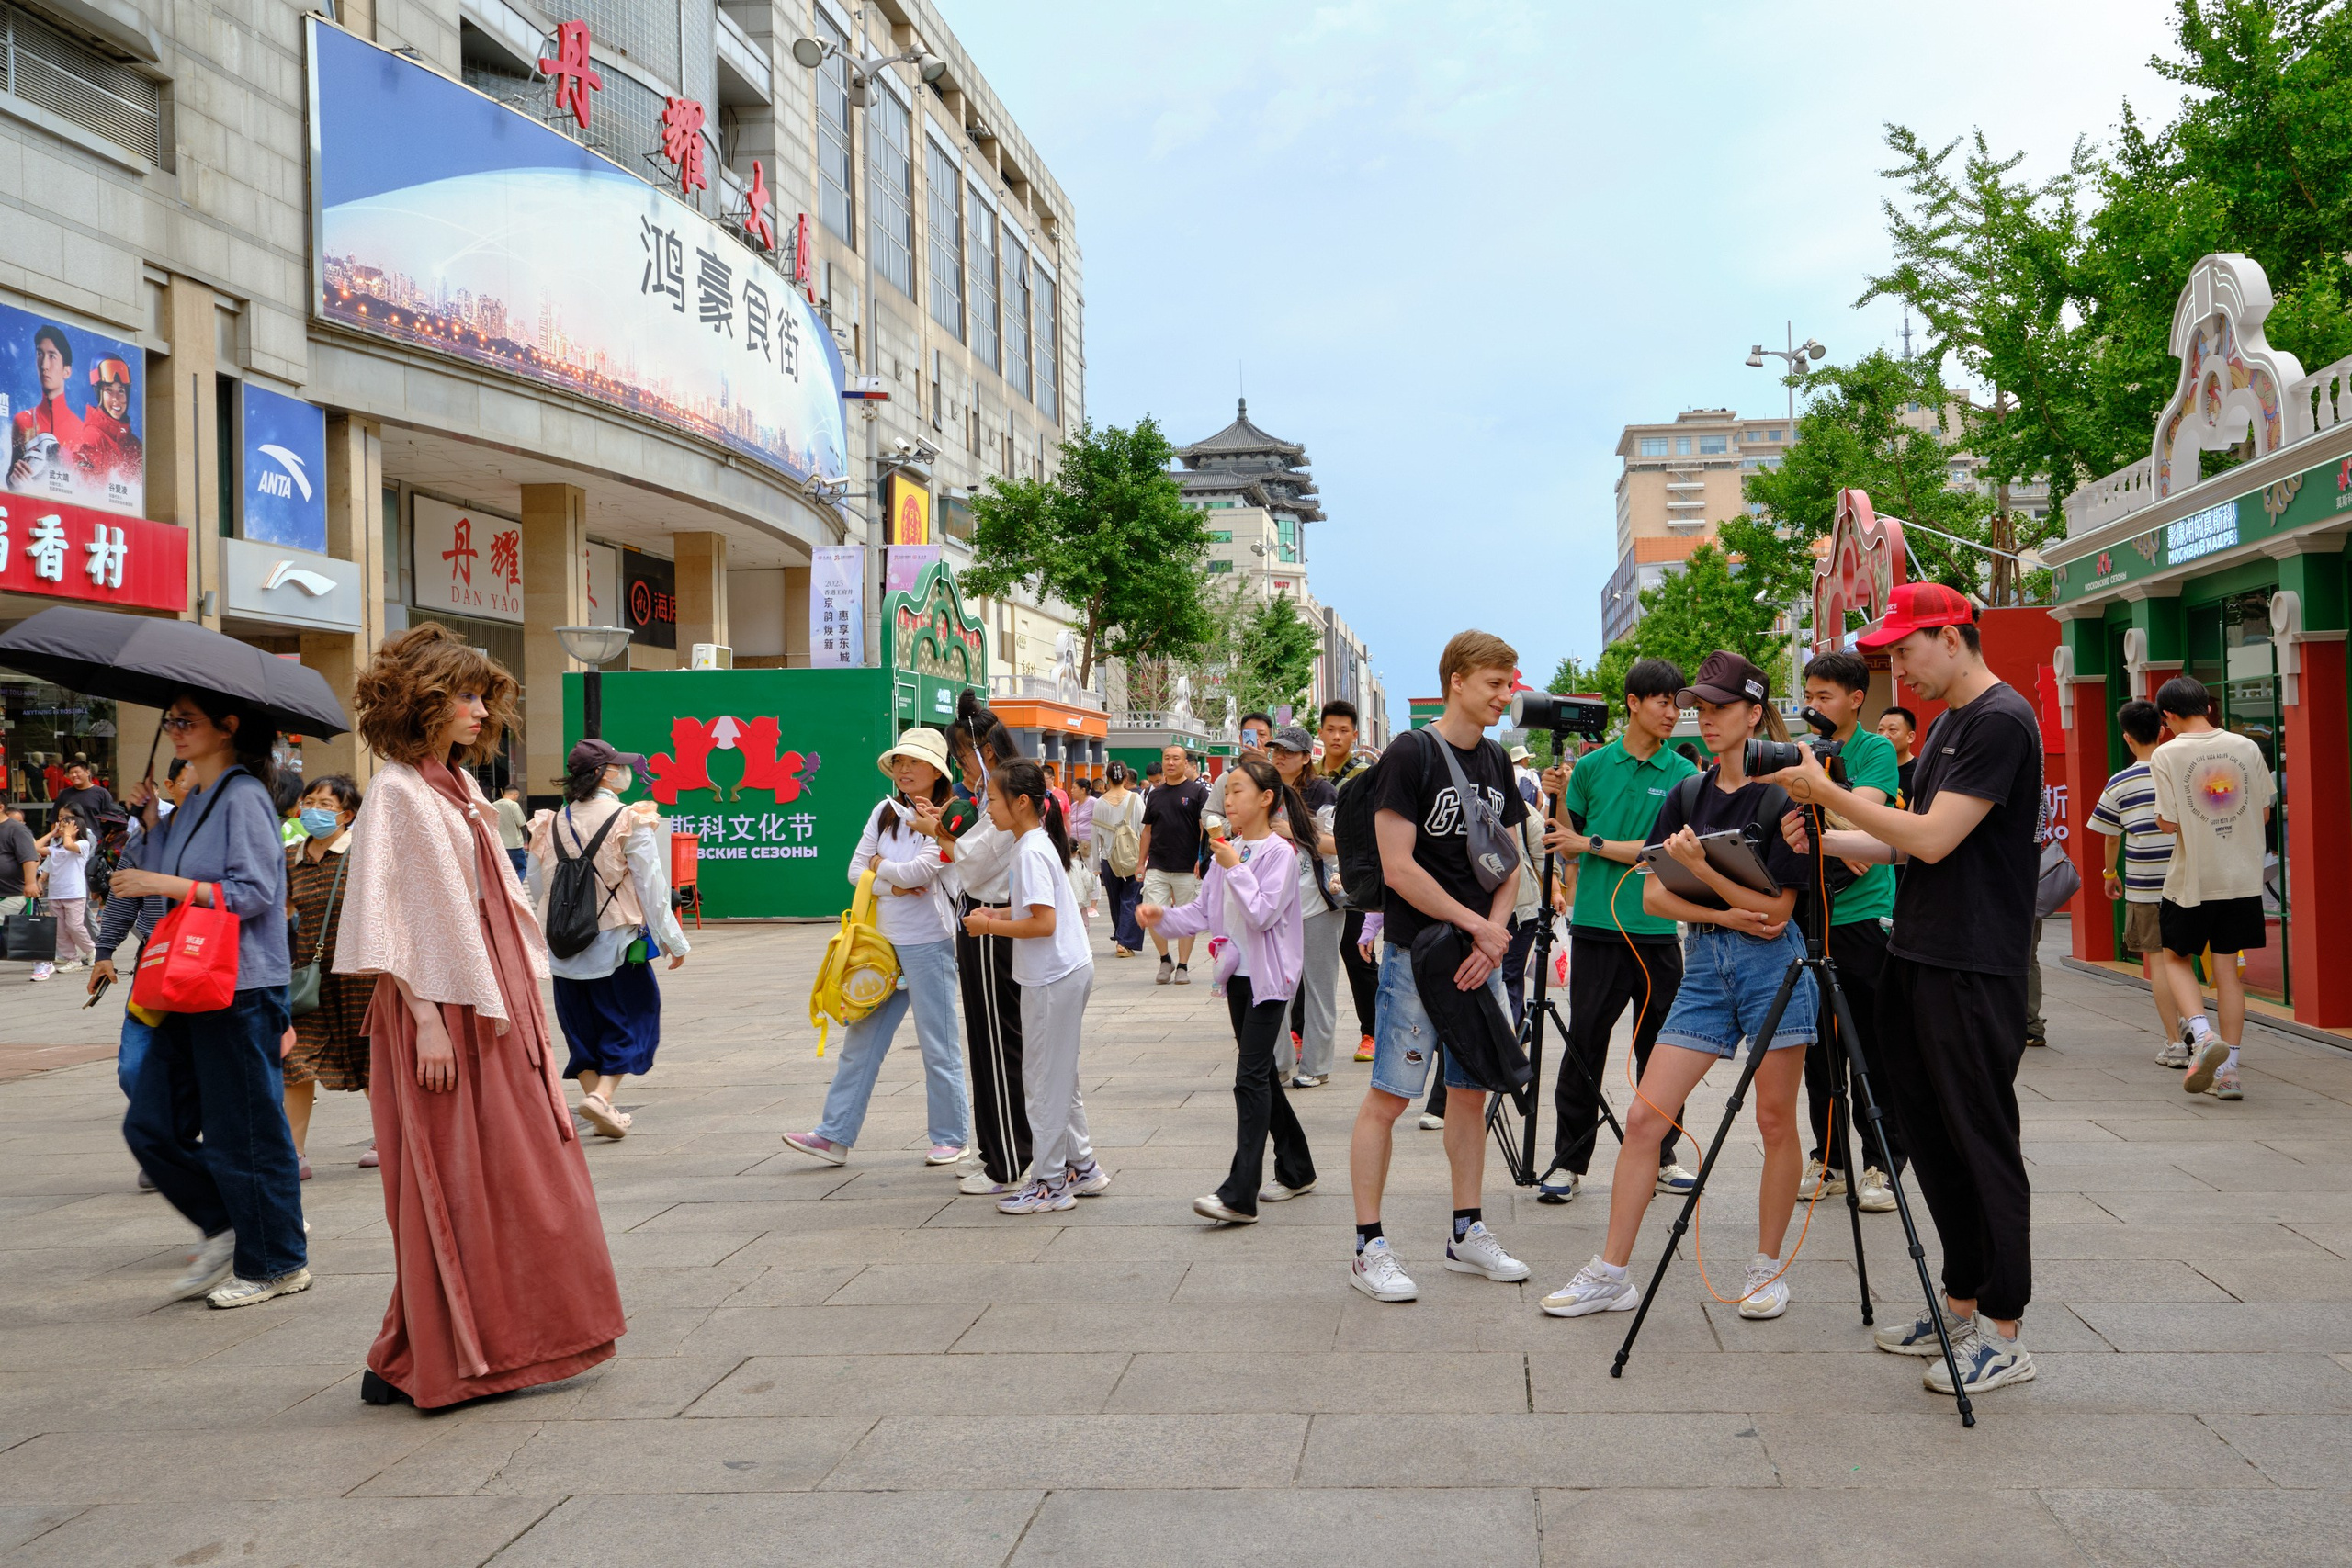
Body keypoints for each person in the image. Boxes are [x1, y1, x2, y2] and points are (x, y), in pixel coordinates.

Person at [335, 623, 624, 1409]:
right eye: (461, 694)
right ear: (420, 701)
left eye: (480, 696)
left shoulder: (455, 786)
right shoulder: (397, 790)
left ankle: (419, 1348)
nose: (475, 709)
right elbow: (383, 914)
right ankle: (452, 1350)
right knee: (455, 1179)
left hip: (494, 1003)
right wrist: (425, 1015)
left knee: (517, 1174)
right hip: (443, 1009)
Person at [1768, 583, 2045, 1397]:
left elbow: (1931, 833)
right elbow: (1909, 849)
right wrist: (1826, 833)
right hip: (1920, 950)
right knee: (1929, 1134)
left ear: (1952, 637)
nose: (1896, 668)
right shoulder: (1954, 723)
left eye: (1904, 651)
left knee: (1979, 1139)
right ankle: (1961, 1303)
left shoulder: (1999, 718)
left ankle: (2003, 1328)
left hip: (1972, 962)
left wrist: (1829, 796)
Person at [1540, 650, 1816, 1325]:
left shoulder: (1782, 792)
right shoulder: (1688, 793)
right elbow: (1658, 894)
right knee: (1643, 1117)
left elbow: (1776, 914)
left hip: (1772, 965)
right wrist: (1719, 908)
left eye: (1723, 706)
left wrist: (1707, 874)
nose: (1707, 716)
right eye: (1704, 705)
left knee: (1775, 1119)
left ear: (1755, 713)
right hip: (1705, 965)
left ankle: (1764, 1267)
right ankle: (1611, 1272)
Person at [1346, 630, 1533, 1304]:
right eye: (1494, 683)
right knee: (1391, 1096)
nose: (1504, 696)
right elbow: (1399, 868)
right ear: (1457, 679)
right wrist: (1477, 924)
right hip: (1416, 953)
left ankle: (1467, 1230)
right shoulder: (1411, 753)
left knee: (1469, 1090)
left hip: (1477, 956)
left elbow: (1509, 860)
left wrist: (1493, 934)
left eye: (1509, 684)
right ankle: (1368, 1244)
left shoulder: (1495, 762)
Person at [114, 690, 307, 1309]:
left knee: (243, 1130)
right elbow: (162, 865)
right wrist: (151, 822)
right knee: (151, 1123)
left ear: (227, 727)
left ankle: (276, 1260)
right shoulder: (194, 798)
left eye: (184, 720)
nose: (172, 729)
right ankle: (230, 1223)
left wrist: (156, 880)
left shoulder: (245, 796)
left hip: (241, 984)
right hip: (190, 984)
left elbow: (252, 892)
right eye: (168, 718)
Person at [1533, 657, 1697, 1204]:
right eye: (1663, 701)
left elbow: (1661, 854)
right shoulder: (1592, 766)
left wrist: (1592, 844)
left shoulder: (1684, 775)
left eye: (1678, 703)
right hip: (1599, 928)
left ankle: (1661, 1156)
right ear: (1633, 702)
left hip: (1656, 930)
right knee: (1585, 1044)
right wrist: (1556, 793)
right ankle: (1567, 1162)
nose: (1673, 713)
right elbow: (1565, 834)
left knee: (1661, 1050)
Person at [781, 728, 967, 1167]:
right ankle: (833, 1135)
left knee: (938, 1044)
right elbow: (852, 871)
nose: (904, 769)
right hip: (880, 944)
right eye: (900, 762)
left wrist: (879, 869)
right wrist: (889, 880)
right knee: (860, 1042)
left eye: (915, 762)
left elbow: (922, 871)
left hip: (929, 943)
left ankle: (951, 1137)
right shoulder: (883, 811)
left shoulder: (950, 817)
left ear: (936, 771)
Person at [1141, 755, 1316, 1223]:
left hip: (1270, 981)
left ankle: (1240, 1194)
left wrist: (1236, 865)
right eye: (1227, 790)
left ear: (1266, 798)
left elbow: (1261, 914)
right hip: (1235, 977)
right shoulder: (1228, 848)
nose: (1229, 798)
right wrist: (1162, 917)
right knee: (1259, 1077)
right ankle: (1298, 1168)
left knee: (1249, 1078)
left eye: (1238, 789)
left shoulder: (1279, 854)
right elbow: (1203, 912)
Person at [961, 759, 1106, 1214]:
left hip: (1053, 976)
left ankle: (1048, 1182)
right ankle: (1081, 1167)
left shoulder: (1028, 851)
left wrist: (988, 929)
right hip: (1062, 971)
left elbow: (1042, 924)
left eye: (992, 799)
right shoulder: (1035, 843)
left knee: (1043, 1082)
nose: (987, 809)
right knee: (1061, 1076)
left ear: (1020, 802)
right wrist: (995, 915)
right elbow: (1032, 910)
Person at [536, 739, 694, 1143]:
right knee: (633, 1018)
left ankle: (600, 1106)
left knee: (580, 1026)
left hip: (562, 944)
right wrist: (673, 940)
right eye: (619, 766)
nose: (626, 772)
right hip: (615, 939)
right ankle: (603, 1099)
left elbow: (537, 888)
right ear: (605, 774)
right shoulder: (629, 820)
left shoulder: (549, 822)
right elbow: (651, 886)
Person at [1796, 650, 1904, 1213]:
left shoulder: (1875, 749)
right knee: (1818, 1047)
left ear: (1856, 699)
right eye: (1808, 696)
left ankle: (1882, 1164)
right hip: (1812, 919)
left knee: (1871, 1043)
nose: (1813, 707)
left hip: (1865, 918)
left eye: (1825, 697)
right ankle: (1830, 1159)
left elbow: (1870, 817)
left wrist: (1823, 804)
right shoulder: (1802, 753)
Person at [2147, 676, 2274, 1102]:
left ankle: (2202, 1037)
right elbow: (2265, 812)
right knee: (2228, 972)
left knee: (2176, 959)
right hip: (2241, 878)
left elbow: (2166, 822)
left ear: (2167, 716)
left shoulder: (2167, 754)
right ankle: (2231, 1073)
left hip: (2192, 881)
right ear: (2207, 705)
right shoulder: (2247, 747)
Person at [939, 693, 1041, 1198]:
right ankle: (999, 1150)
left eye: (964, 758)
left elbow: (975, 862)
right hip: (982, 918)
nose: (963, 768)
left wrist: (935, 832)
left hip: (993, 923)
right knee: (988, 1042)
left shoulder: (1007, 800)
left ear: (986, 751)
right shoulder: (987, 798)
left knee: (998, 1045)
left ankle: (1006, 1159)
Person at [281, 774, 371, 1178]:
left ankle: (390, 1135)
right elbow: (278, 913)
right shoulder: (289, 859)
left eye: (326, 805)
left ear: (347, 815)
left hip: (360, 977)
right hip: (309, 980)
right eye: (310, 802)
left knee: (370, 1059)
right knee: (295, 1059)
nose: (314, 811)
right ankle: (292, 1153)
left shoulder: (364, 854)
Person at [2086, 700, 2184, 1062]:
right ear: (2162, 730)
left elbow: (2111, 835)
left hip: (2145, 883)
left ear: (2127, 738)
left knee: (2158, 962)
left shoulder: (2120, 782)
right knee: (2185, 958)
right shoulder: (2179, 772)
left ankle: (2175, 1044)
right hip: (2187, 879)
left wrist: (2110, 874)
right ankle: (2194, 1022)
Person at [1266, 725, 1341, 1088]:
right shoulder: (1264, 787)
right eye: (1276, 749)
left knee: (1319, 987)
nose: (1280, 756)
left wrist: (1291, 832)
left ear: (1306, 757)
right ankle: (1279, 1063)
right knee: (1276, 987)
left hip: (1318, 902)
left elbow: (1337, 844)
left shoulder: (1322, 791)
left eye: (1289, 751)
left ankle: (1316, 1066)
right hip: (1274, 905)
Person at [1318, 701, 1380, 1064]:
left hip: (1355, 877)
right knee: (1309, 956)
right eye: (1330, 729)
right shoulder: (1308, 772)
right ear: (1322, 732)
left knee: (1358, 955)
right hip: (1312, 877)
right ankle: (1300, 1030)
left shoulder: (1366, 773)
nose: (1337, 736)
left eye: (1344, 730)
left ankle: (1370, 1033)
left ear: (1354, 734)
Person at [1139, 742, 1208, 985]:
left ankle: (1183, 966)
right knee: (1152, 914)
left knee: (1186, 919)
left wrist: (1202, 858)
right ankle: (1164, 959)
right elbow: (1147, 831)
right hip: (1157, 864)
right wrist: (1140, 863)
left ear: (1186, 763)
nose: (1170, 763)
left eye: (1176, 758)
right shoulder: (1154, 794)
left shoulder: (1198, 793)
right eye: (1167, 758)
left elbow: (1204, 829)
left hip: (1188, 866)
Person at [8, 323, 85, 489]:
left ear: (67, 371)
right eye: (39, 354)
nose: (44, 365)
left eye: (52, 356)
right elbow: (10, 477)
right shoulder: (22, 421)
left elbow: (85, 489)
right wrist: (15, 481)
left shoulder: (82, 432)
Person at [31, 809, 93, 976]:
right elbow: (34, 848)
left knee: (74, 926)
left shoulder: (82, 845)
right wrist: (52, 833)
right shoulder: (56, 847)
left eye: (66, 826)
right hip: (56, 894)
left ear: (76, 829)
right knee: (60, 929)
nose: (62, 829)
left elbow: (68, 845)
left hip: (74, 893)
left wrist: (68, 834)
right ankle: (72, 959)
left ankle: (92, 950)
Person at [1095, 761, 1147, 955]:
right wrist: (1145, 859)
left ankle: (1120, 936)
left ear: (1107, 779)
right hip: (1133, 858)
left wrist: (1095, 865)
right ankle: (1124, 941)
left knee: (1115, 900)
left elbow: (1095, 835)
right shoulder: (1135, 799)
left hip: (1109, 858)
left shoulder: (1100, 803)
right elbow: (1144, 830)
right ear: (1126, 778)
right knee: (1132, 898)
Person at [76, 355, 141, 484]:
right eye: (109, 390)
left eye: (121, 391)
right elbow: (84, 490)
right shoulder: (91, 437)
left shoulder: (135, 445)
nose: (116, 399)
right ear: (99, 393)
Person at [493, 784, 529, 881]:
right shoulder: (513, 805)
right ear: (515, 794)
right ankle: (517, 887)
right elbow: (521, 822)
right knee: (521, 868)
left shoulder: (493, 805)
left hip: (499, 844)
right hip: (514, 844)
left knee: (502, 870)